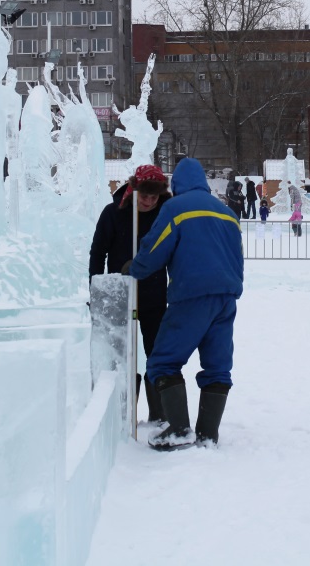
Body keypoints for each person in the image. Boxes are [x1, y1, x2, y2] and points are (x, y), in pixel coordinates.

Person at [122, 158, 243, 451]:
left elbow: (155, 248)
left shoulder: (175, 209)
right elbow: (238, 258)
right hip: (226, 298)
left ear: (176, 185)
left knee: (163, 361)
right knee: (217, 367)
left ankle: (178, 430)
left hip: (191, 295)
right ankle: (207, 435)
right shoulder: (228, 214)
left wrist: (133, 268)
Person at [90, 164, 171, 425]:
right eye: (144, 196)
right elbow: (98, 252)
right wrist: (96, 290)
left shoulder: (163, 215)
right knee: (120, 354)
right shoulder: (114, 213)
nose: (148, 202)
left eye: (154, 197)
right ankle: (122, 412)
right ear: (133, 190)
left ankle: (159, 414)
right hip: (118, 295)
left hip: (153, 294)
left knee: (156, 352)